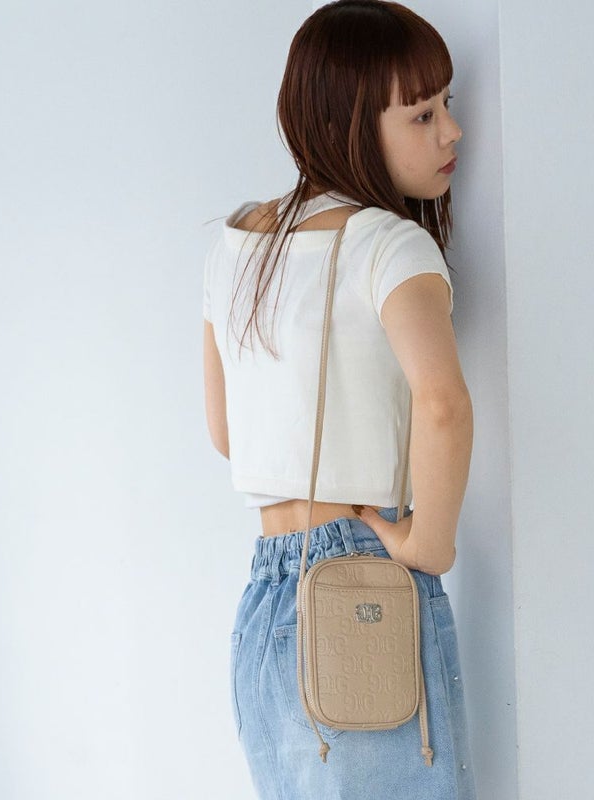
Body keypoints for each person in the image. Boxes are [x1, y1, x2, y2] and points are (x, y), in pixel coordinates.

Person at [202, 1, 476, 798]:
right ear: (348, 124)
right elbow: (443, 404)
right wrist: (430, 545)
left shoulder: (236, 245)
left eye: (447, 103)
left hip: (266, 600)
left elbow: (226, 431)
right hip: (364, 590)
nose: (452, 132)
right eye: (421, 114)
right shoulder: (391, 245)